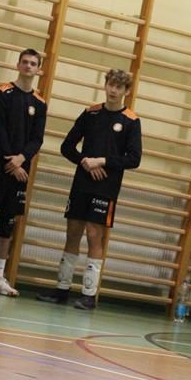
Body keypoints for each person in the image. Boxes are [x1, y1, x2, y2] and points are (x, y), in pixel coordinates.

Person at [36, 69, 141, 310]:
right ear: (105, 85)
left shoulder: (131, 121)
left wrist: (102, 161)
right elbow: (67, 146)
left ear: (126, 91)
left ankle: (89, 295)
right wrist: (85, 161)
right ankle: (62, 289)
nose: (113, 90)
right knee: (73, 233)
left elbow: (134, 158)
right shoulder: (91, 113)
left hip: (106, 187)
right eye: (110, 84)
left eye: (119, 87)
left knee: (94, 234)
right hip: (82, 183)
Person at [0, 48, 46, 296]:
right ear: (18, 65)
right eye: (24, 62)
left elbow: (37, 138)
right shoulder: (3, 93)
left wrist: (21, 159)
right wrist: (11, 161)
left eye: (33, 63)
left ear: (38, 69)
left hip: (20, 172)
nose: (28, 66)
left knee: (7, 223)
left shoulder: (39, 103)